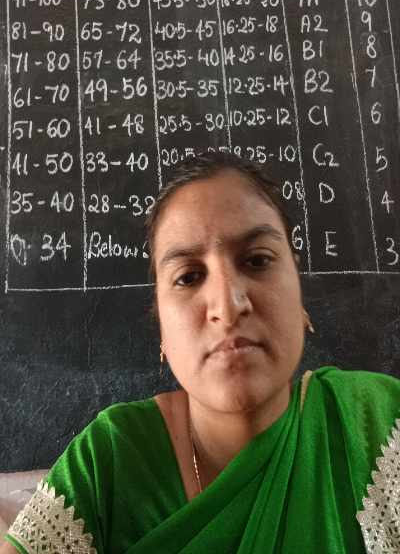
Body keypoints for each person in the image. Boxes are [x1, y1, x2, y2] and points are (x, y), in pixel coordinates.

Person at [1, 151, 399, 554]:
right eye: (188, 277)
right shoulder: (109, 461)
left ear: (299, 293)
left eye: (257, 260)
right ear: (161, 326)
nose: (228, 305)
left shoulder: (377, 425)